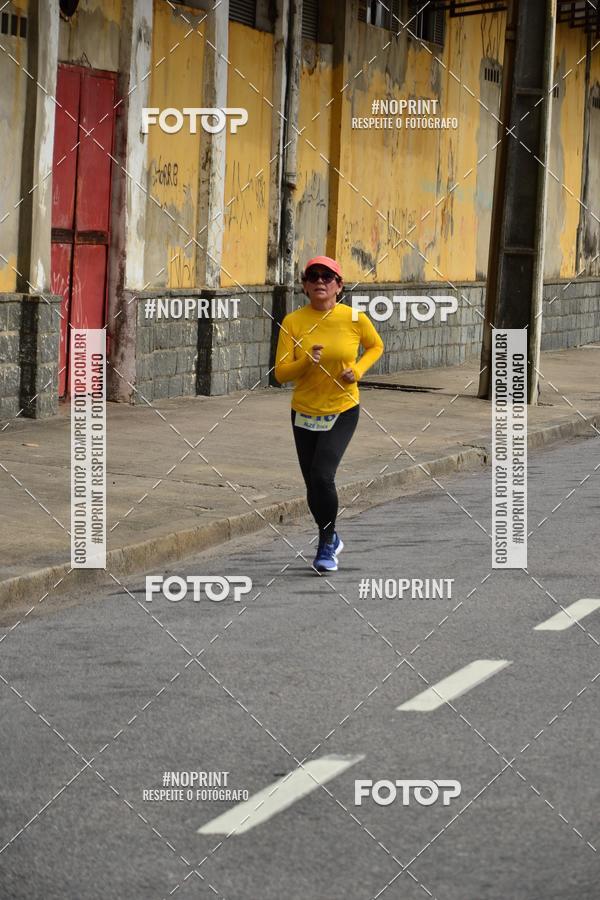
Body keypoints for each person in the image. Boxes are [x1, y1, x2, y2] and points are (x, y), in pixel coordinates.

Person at [274, 255, 384, 573]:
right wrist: (306, 361)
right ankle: (332, 535)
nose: (320, 281)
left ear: (339, 285)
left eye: (328, 276)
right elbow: (281, 373)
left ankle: (324, 544)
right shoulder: (293, 322)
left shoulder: (354, 319)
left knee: (324, 476)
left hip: (342, 408)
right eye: (313, 276)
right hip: (304, 411)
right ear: (305, 286)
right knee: (313, 485)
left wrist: (358, 370)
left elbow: (376, 346)